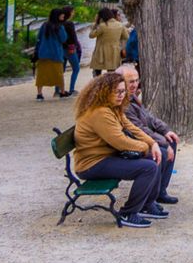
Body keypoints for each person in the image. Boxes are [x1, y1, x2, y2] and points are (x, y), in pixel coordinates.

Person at [73, 72, 171, 228]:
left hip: (106, 157)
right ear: (104, 91)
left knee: (158, 156)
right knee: (148, 167)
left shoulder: (113, 108)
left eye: (123, 91)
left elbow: (131, 128)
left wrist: (153, 144)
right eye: (116, 91)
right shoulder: (100, 112)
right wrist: (147, 148)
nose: (121, 95)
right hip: (92, 164)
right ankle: (128, 213)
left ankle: (147, 204)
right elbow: (120, 142)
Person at [117, 64, 179, 204]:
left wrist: (166, 130)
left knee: (171, 140)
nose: (134, 84)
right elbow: (138, 129)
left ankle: (160, 191)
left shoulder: (132, 97)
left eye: (136, 80)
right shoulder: (123, 103)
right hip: (131, 142)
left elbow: (150, 118)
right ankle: (151, 197)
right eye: (130, 81)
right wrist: (161, 142)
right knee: (163, 151)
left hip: (140, 138)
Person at [34, 8, 68, 101]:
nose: (63, 16)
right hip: (56, 54)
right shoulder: (59, 27)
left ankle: (39, 94)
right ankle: (62, 92)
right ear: (57, 16)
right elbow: (63, 39)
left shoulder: (44, 25)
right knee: (59, 74)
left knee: (41, 74)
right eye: (62, 15)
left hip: (43, 54)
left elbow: (38, 38)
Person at [87, 7, 129, 76]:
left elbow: (91, 35)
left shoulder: (102, 26)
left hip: (100, 53)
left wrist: (96, 23)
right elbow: (126, 37)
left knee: (97, 74)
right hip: (114, 53)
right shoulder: (120, 25)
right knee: (112, 75)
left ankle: (98, 86)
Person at [59, 6, 81, 95]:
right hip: (70, 49)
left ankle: (58, 90)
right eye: (72, 12)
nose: (73, 13)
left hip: (61, 49)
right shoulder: (69, 24)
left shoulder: (59, 23)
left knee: (61, 70)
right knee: (76, 68)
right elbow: (73, 37)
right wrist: (74, 46)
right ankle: (72, 89)